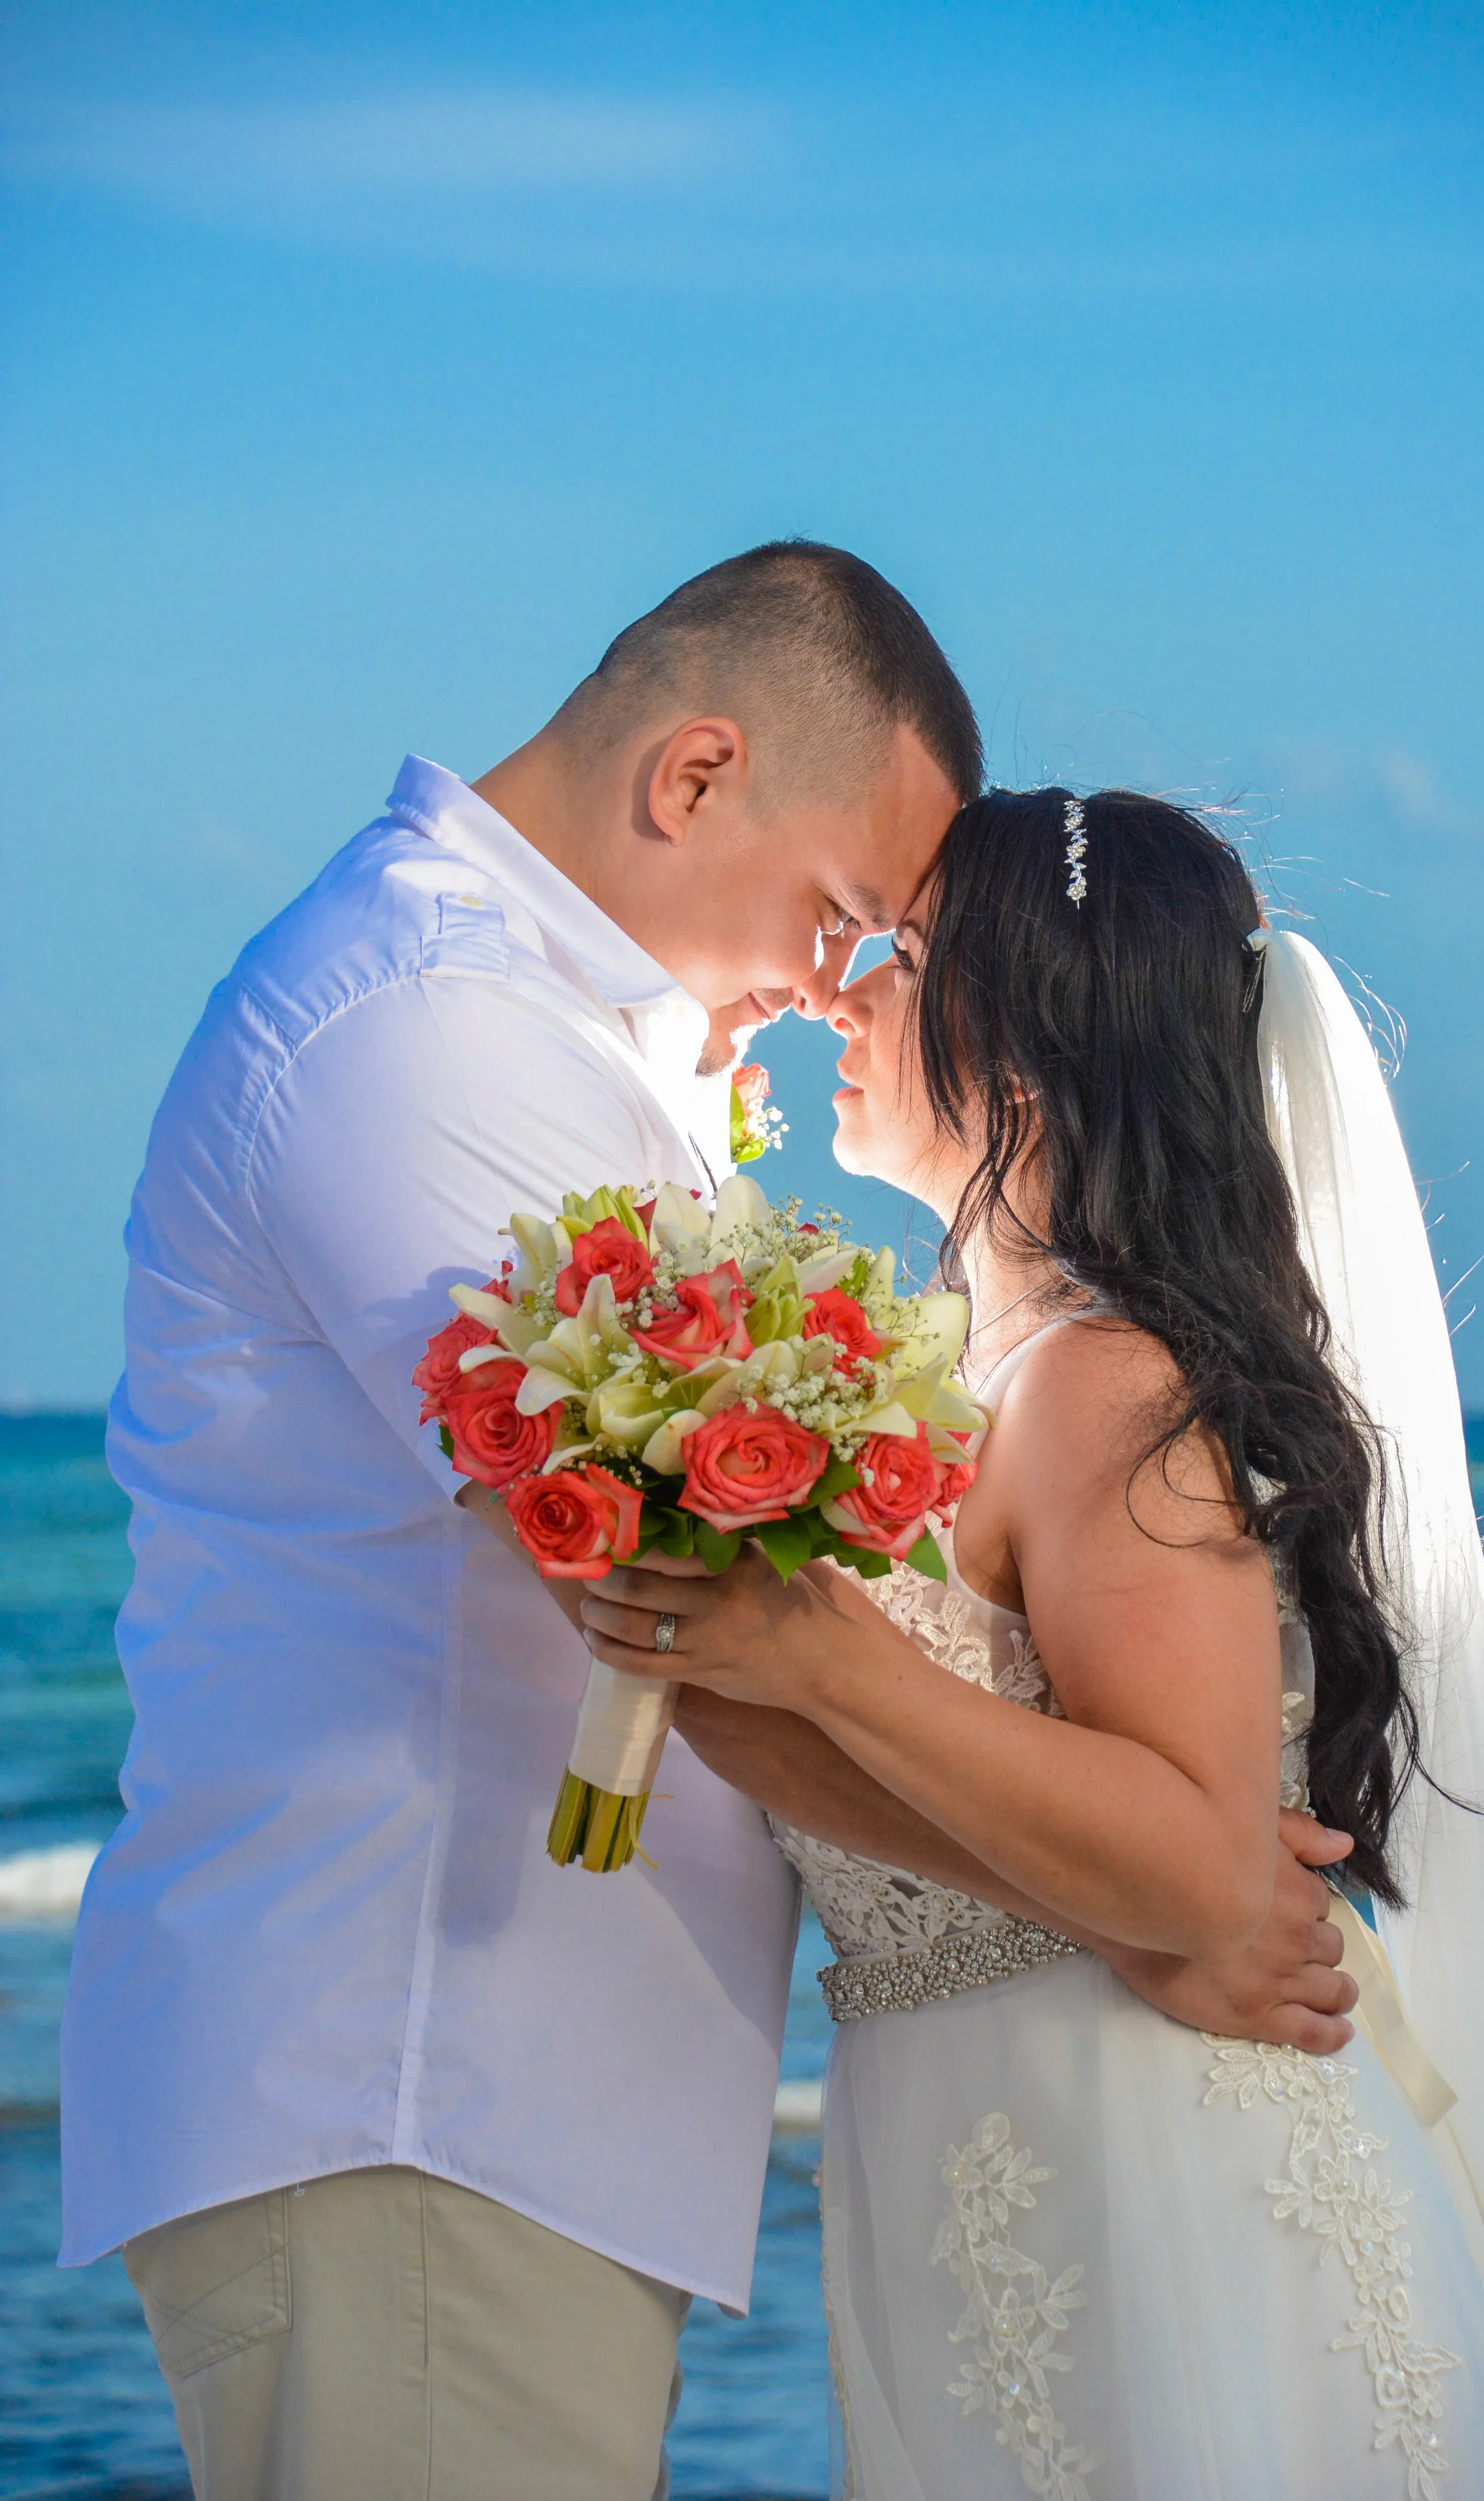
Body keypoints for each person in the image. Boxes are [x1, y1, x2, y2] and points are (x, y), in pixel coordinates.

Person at [61, 557, 1358, 2501]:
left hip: (504, 2110)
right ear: (693, 777)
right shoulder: (430, 1031)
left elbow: (748, 1622)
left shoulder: (553, 1043)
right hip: (419, 2079)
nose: (844, 987)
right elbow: (670, 1606)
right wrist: (1136, 1907)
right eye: (844, 916)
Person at [584, 789, 1484, 2499]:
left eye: (903, 959)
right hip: (980, 2163)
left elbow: (1197, 1855)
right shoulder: (962, 1381)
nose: (846, 997)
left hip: (1165, 2177)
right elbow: (812, 1749)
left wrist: (827, 1660)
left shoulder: (1107, 1386)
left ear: (1019, 1054)